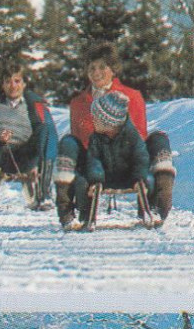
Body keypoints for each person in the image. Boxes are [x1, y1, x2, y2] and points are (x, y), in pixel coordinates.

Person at [55, 42, 174, 229]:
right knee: (68, 142)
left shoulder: (131, 96)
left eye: (102, 67)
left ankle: (157, 206)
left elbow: (139, 137)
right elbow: (80, 140)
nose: (96, 72)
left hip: (128, 163)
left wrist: (137, 172)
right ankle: (67, 213)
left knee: (159, 138)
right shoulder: (78, 103)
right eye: (92, 68)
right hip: (93, 166)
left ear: (113, 69)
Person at [0, 61, 59, 208]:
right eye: (8, 82)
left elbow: (49, 135)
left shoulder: (36, 106)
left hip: (26, 155)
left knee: (48, 129)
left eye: (17, 81)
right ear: (2, 85)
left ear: (24, 84)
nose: (13, 86)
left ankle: (44, 195)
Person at [69, 91, 153, 229]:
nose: (93, 120)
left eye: (96, 118)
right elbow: (93, 159)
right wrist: (96, 179)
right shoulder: (95, 138)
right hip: (104, 178)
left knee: (150, 180)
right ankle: (85, 215)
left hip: (129, 178)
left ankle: (150, 211)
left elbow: (141, 157)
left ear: (109, 122)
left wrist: (138, 178)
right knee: (81, 181)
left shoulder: (132, 136)